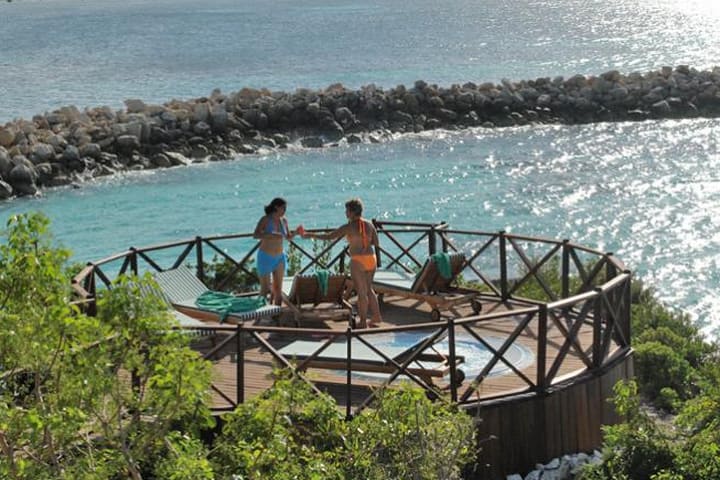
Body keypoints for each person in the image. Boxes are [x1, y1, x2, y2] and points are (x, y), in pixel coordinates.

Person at [303, 198, 382, 328]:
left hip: (358, 260)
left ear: (351, 212)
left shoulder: (348, 227)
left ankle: (363, 322)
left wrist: (311, 235)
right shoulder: (369, 224)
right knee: (369, 289)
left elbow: (329, 236)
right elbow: (376, 243)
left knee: (361, 292)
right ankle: (377, 316)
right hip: (371, 258)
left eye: (347, 210)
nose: (345, 213)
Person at [253, 197, 295, 305]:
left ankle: (276, 314)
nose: (285, 210)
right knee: (265, 289)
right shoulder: (266, 219)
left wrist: (296, 233)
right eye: (283, 208)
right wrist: (270, 235)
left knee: (278, 288)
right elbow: (256, 234)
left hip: (279, 257)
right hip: (265, 257)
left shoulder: (284, 221)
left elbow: (288, 237)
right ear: (276, 207)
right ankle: (259, 314)